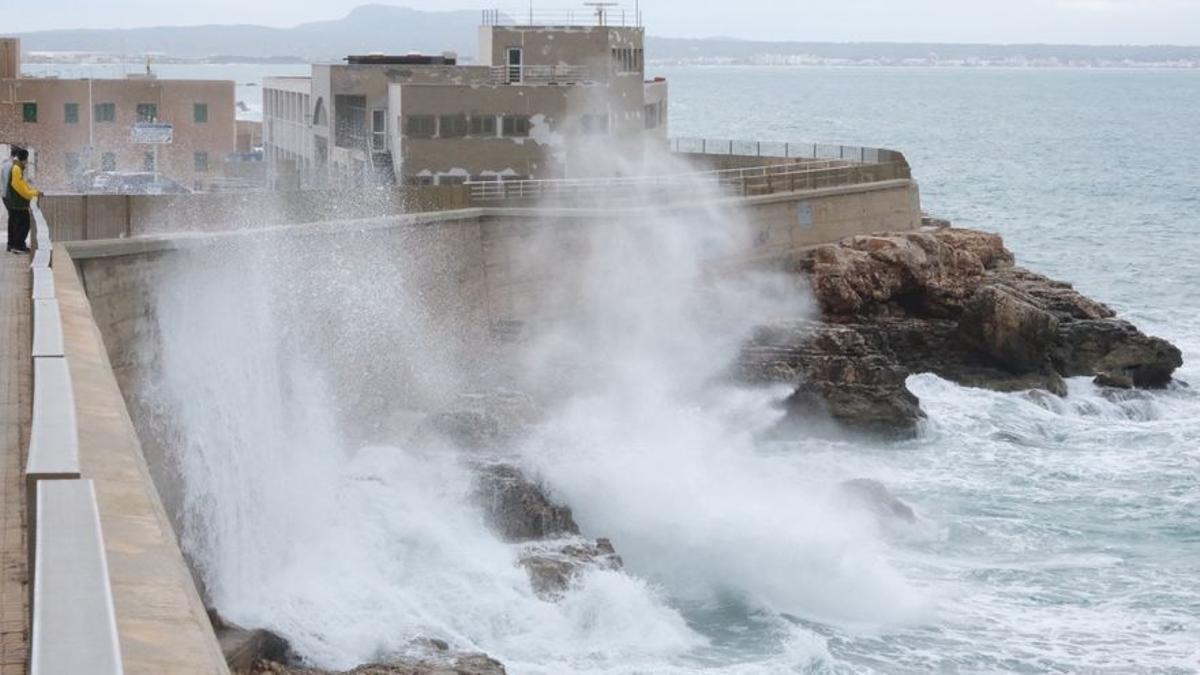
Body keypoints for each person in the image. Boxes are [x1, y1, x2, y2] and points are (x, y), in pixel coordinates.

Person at [4, 147, 40, 254]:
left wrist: (33, 191)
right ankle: (18, 245)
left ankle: (14, 244)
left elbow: (22, 184)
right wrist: (32, 193)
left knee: (16, 223)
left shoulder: (16, 167)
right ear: (25, 158)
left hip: (14, 202)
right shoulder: (16, 168)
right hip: (18, 203)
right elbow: (18, 186)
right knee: (24, 223)